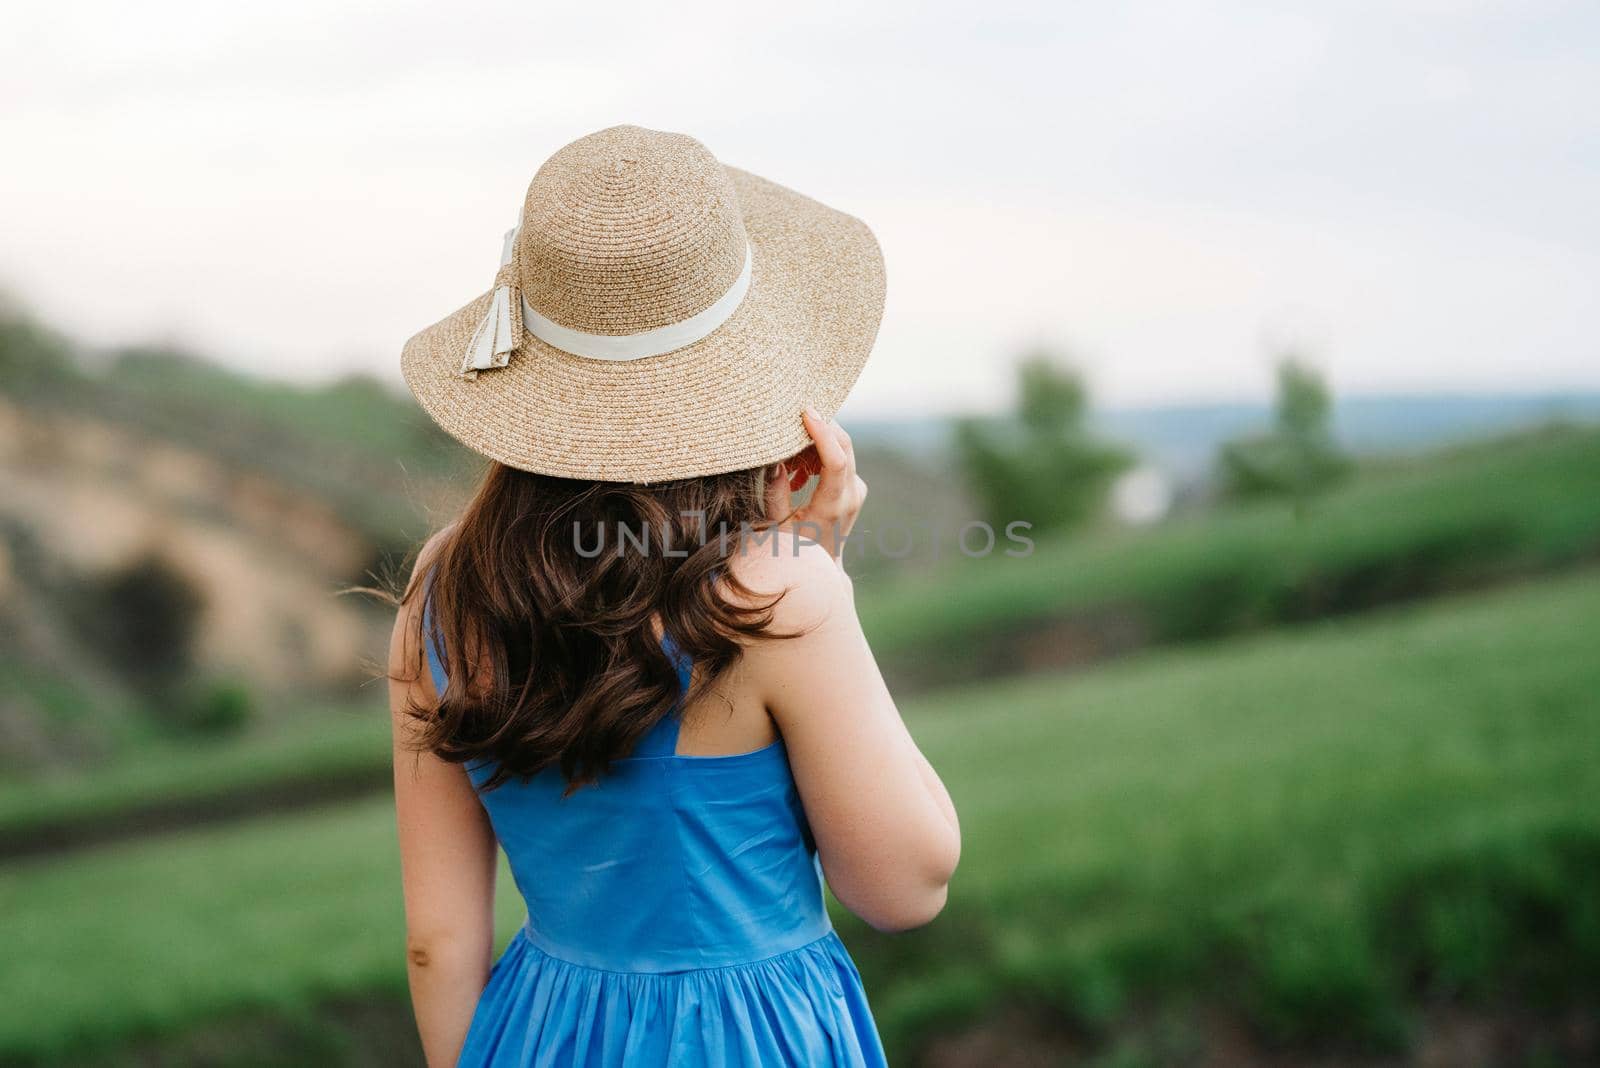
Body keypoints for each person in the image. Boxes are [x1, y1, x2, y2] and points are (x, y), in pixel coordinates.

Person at [388, 125, 959, 1067]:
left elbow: (438, 941)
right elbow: (908, 884)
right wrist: (821, 565)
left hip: (541, 1031)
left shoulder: (441, 592)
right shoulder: (783, 597)